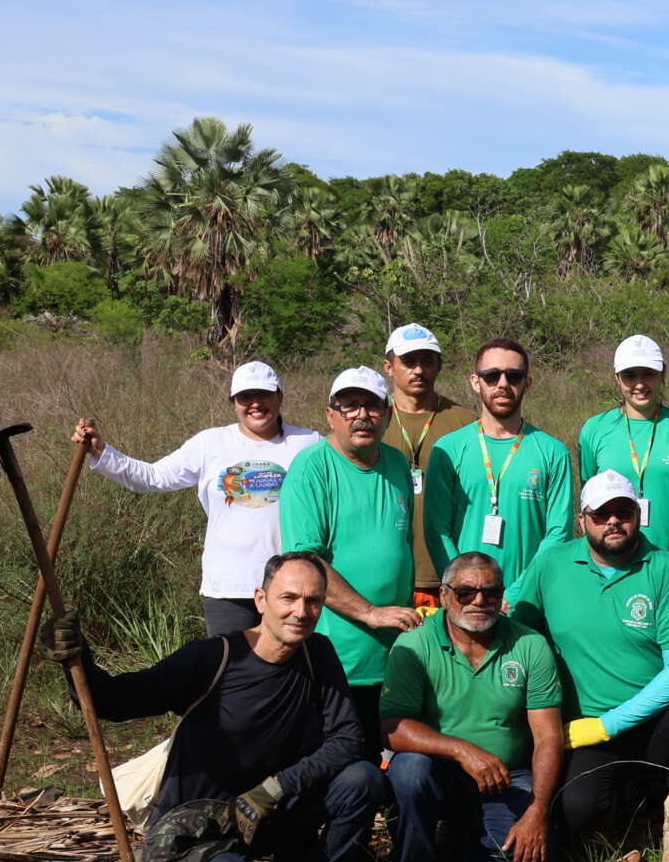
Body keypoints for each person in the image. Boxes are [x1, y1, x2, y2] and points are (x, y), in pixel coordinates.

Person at [45, 552, 388, 862]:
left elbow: (348, 739)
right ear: (261, 600)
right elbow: (115, 702)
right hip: (203, 826)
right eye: (289, 598)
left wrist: (275, 789)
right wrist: (76, 660)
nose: (301, 612)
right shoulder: (214, 658)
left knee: (362, 779)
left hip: (272, 812)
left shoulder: (319, 655)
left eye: (313, 601)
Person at [506, 470, 669, 862]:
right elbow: (521, 635)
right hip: (584, 722)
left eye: (623, 512)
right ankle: (631, 806)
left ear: (638, 515)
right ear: (582, 521)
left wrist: (608, 725)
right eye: (601, 514)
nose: (613, 521)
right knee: (577, 812)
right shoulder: (551, 564)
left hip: (651, 721)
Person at [380, 551, 563, 862]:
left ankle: (460, 844)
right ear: (445, 595)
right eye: (465, 593)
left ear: (501, 596)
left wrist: (538, 811)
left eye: (490, 593)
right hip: (439, 772)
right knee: (409, 769)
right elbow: (394, 728)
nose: (478, 602)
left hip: (505, 777)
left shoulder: (530, 645)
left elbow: (548, 738)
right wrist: (462, 750)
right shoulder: (413, 646)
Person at [70, 361, 320, 636]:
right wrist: (102, 452)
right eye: (245, 397)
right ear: (233, 402)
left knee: (289, 674)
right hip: (228, 589)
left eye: (263, 395)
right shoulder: (210, 443)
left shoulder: (308, 443)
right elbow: (152, 477)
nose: (255, 404)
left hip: (290, 590)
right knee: (232, 673)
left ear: (280, 397)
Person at [278, 366, 423, 760]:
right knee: (345, 764)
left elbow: (402, 543)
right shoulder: (312, 469)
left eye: (373, 406)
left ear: (388, 413)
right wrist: (370, 613)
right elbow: (307, 561)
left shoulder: (396, 465)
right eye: (349, 406)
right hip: (338, 654)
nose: (362, 415)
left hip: (394, 651)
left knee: (394, 760)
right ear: (330, 415)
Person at [424, 338, 575, 585]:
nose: (503, 384)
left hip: (528, 603)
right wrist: (463, 588)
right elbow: (436, 530)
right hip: (465, 601)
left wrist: (520, 594)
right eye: (492, 376)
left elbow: (558, 534)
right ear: (476, 382)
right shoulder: (447, 449)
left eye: (513, 376)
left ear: (526, 383)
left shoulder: (553, 452)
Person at [578, 334, 669, 571]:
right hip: (614, 556)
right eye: (629, 375)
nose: (640, 384)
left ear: (662, 374)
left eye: (648, 374)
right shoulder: (594, 429)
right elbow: (589, 496)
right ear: (617, 378)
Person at [379, 323, 475, 609]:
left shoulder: (465, 422)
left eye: (427, 361)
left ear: (439, 365)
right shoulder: (371, 420)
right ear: (388, 366)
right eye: (408, 362)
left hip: (450, 573)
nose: (418, 370)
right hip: (390, 575)